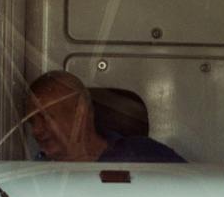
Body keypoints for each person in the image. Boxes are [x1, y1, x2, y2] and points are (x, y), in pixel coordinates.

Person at [24, 70, 184, 164]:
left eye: (45, 117)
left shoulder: (143, 154)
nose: (36, 131)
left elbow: (194, 194)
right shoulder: (35, 173)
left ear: (80, 112)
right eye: (32, 122)